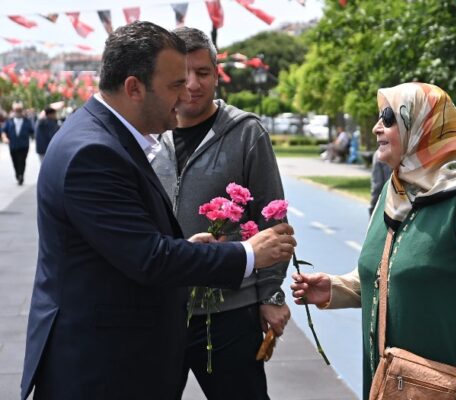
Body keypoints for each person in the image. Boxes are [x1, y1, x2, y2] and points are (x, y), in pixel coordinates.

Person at [22, 21, 297, 400]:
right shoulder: (95, 151)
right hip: (103, 361)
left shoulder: (107, 136)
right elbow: (149, 258)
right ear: (134, 87)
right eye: (175, 84)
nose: (186, 92)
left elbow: (135, 241)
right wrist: (248, 253)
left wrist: (262, 287)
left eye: (199, 75)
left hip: (190, 323)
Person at [292, 82, 456, 400]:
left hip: (450, 389)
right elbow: (392, 267)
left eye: (387, 118)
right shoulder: (396, 191)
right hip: (393, 386)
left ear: (422, 126)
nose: (376, 128)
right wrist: (337, 288)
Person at [150, 26, 289, 400]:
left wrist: (271, 294)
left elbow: (273, 219)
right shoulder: (147, 135)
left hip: (231, 310)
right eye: (183, 75)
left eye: (203, 73)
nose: (193, 85)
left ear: (217, 72)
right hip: (160, 310)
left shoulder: (246, 133)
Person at [1, 102, 34, 185]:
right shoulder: (9, 121)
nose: (18, 112)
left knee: (22, 161)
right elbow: (3, 131)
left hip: (24, 145)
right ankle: (17, 174)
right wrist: (4, 137)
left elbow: (32, 131)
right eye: (16, 110)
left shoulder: (27, 121)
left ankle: (21, 175)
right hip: (13, 145)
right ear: (13, 111)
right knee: (15, 161)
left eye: (20, 110)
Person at [368, 149, 391, 216]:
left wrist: (373, 205)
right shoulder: (405, 152)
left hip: (386, 201)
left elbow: (377, 185)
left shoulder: (379, 154)